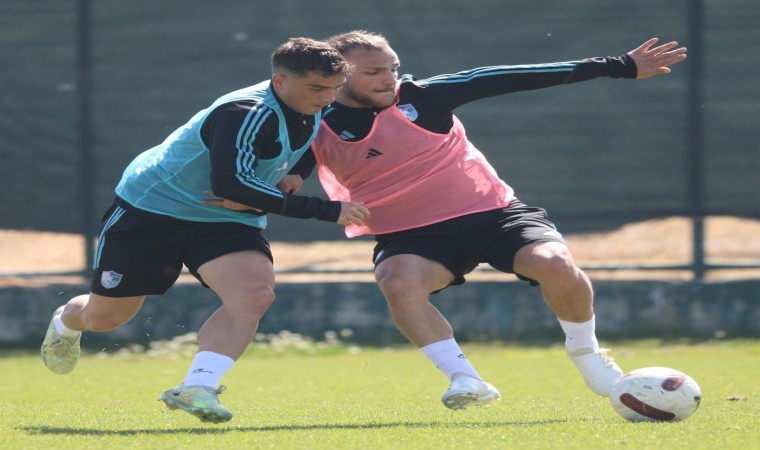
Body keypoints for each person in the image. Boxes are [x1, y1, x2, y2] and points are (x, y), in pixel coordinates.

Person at [209, 31, 687, 410]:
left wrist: (618, 65)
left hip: (493, 215)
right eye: (373, 72)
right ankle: (465, 379)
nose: (388, 79)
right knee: (397, 282)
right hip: (410, 234)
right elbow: (294, 160)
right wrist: (282, 182)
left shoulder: (424, 96)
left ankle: (586, 352)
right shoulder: (315, 117)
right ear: (339, 78)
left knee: (555, 264)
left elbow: (510, 76)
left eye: (392, 68)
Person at [40, 37, 370, 424]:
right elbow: (231, 185)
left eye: (334, 88)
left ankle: (198, 386)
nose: (328, 98)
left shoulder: (316, 103)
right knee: (105, 319)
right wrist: (328, 210)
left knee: (254, 294)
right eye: (317, 88)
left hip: (224, 218)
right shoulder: (245, 112)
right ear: (280, 81)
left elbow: (308, 141)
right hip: (153, 211)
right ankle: (66, 320)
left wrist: (296, 171)